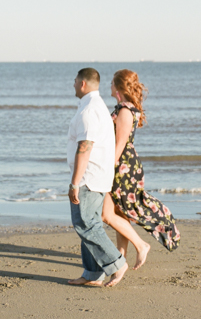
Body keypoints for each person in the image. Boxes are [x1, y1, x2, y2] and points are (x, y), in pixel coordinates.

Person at [100, 69, 180, 262]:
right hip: (124, 165)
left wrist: (107, 170)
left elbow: (119, 144)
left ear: (119, 87)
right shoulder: (122, 108)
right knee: (119, 212)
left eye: (112, 82)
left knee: (106, 214)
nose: (109, 85)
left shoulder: (125, 111)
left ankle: (141, 245)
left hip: (122, 167)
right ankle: (122, 255)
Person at [66, 67, 128, 287]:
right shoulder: (95, 106)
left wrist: (75, 182)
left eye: (75, 81)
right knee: (89, 224)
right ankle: (92, 274)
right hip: (97, 176)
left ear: (82, 83)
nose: (73, 85)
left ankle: (117, 263)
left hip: (89, 178)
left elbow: (85, 146)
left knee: (85, 224)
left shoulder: (90, 110)